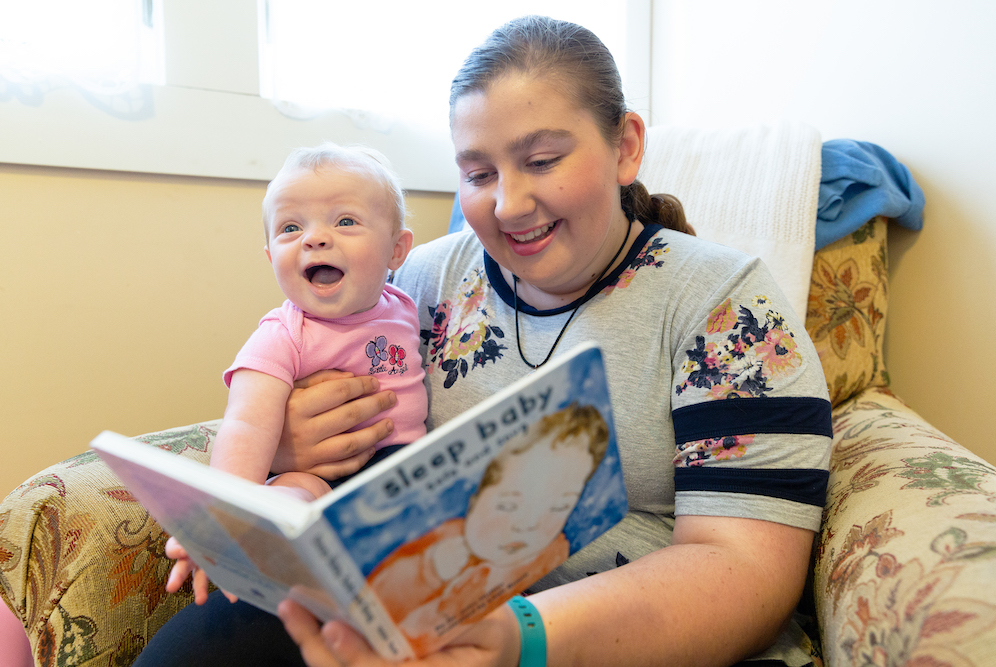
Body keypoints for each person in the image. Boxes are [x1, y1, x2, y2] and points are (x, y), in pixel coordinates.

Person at [135, 15, 831, 667]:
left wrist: (519, 635)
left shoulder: (726, 306)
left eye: (543, 159)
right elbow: (289, 377)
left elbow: (745, 567)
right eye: (478, 174)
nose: (507, 204)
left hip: (595, 635)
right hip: (391, 601)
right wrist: (288, 444)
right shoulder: (419, 279)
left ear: (625, 147)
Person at [164, 143, 429, 607]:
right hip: (319, 485)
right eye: (291, 227)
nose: (315, 238)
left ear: (397, 249)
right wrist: (225, 517)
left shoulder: (404, 307)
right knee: (289, 499)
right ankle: (267, 554)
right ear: (271, 258)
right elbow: (246, 424)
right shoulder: (283, 334)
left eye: (345, 221)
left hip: (406, 477)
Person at [368, 403, 609, 655]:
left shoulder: (552, 552)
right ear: (473, 499)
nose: (528, 524)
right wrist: (428, 571)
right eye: (508, 504)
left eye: (559, 506)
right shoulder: (442, 540)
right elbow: (382, 598)